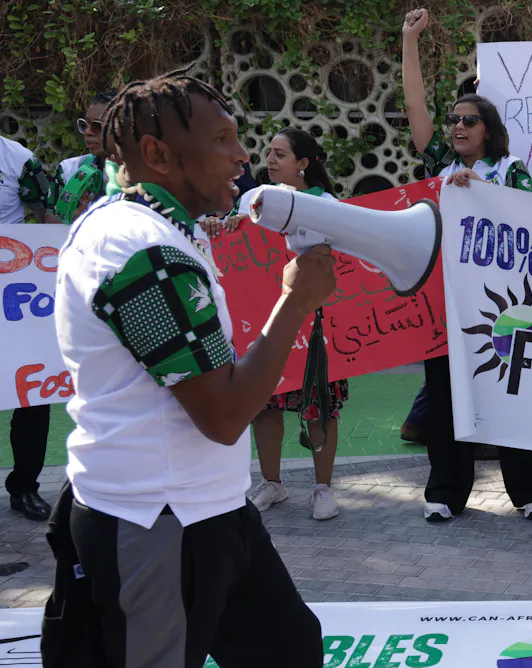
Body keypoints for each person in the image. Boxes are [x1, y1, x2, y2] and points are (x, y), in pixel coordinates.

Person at [51, 70, 329, 665]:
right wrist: (296, 302)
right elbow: (224, 415)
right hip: (156, 523)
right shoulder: (141, 251)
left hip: (204, 509)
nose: (243, 155)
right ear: (158, 154)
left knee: (291, 650)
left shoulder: (148, 226)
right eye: (223, 139)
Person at [402, 7, 532, 523]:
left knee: (512, 392)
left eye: (469, 120)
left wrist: (483, 190)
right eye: (454, 120)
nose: (458, 126)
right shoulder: (440, 167)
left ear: (488, 130)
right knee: (444, 397)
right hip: (446, 302)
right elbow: (414, 105)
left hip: (506, 306)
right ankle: (445, 494)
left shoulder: (511, 170)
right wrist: (409, 41)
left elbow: (531, 224)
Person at [200, 128, 348, 522]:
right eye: (269, 152)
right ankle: (272, 482)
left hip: (316, 323)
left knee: (320, 405)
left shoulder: (328, 206)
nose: (270, 160)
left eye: (280, 154)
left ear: (303, 164)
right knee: (264, 403)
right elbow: (227, 247)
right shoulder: (252, 204)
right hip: (266, 321)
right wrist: (219, 227)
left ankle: (323, 488)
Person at [2, 134, 56, 522]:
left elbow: (47, 218)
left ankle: (25, 486)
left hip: (17, 292)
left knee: (32, 392)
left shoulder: (20, 160)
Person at [54, 91, 122, 219]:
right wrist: (75, 217)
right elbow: (52, 223)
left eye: (97, 126)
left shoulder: (145, 175)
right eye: (84, 125)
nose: (88, 132)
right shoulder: (69, 169)